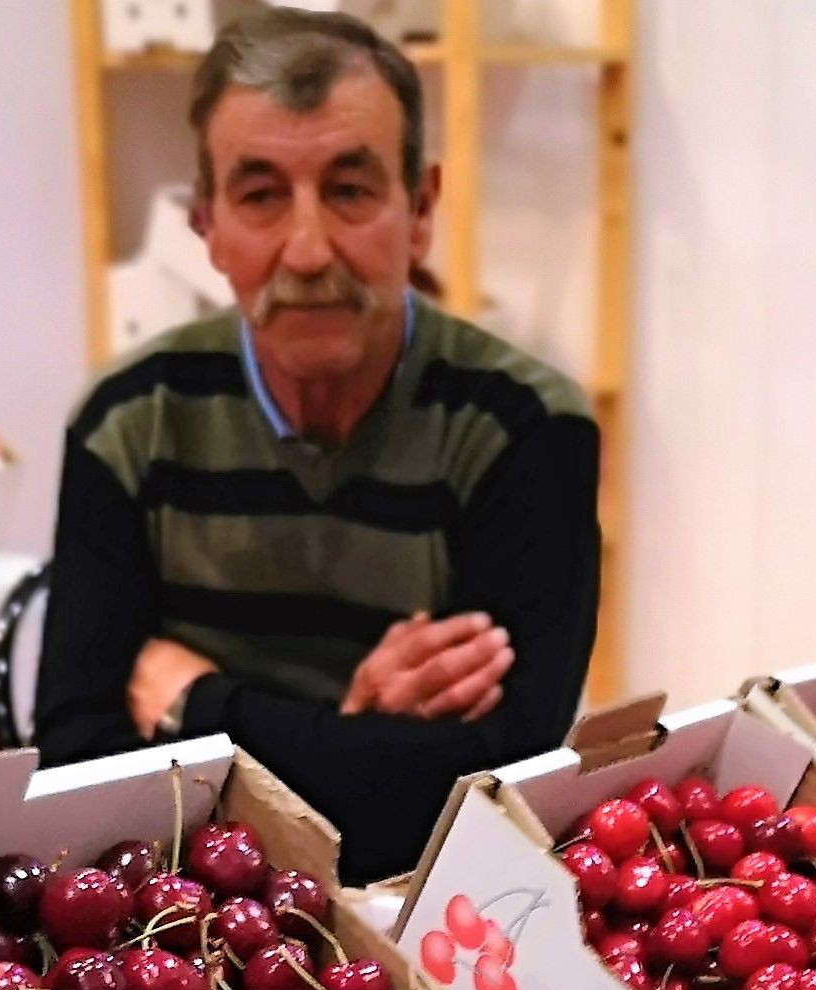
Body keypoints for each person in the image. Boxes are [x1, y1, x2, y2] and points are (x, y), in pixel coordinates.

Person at [30, 8, 602, 883]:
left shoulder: (525, 429)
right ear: (208, 228)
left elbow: (492, 785)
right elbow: (81, 767)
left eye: (349, 190)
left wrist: (197, 702)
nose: (306, 250)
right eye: (260, 196)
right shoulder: (129, 422)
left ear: (420, 210)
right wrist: (352, 731)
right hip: (190, 911)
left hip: (426, 910)